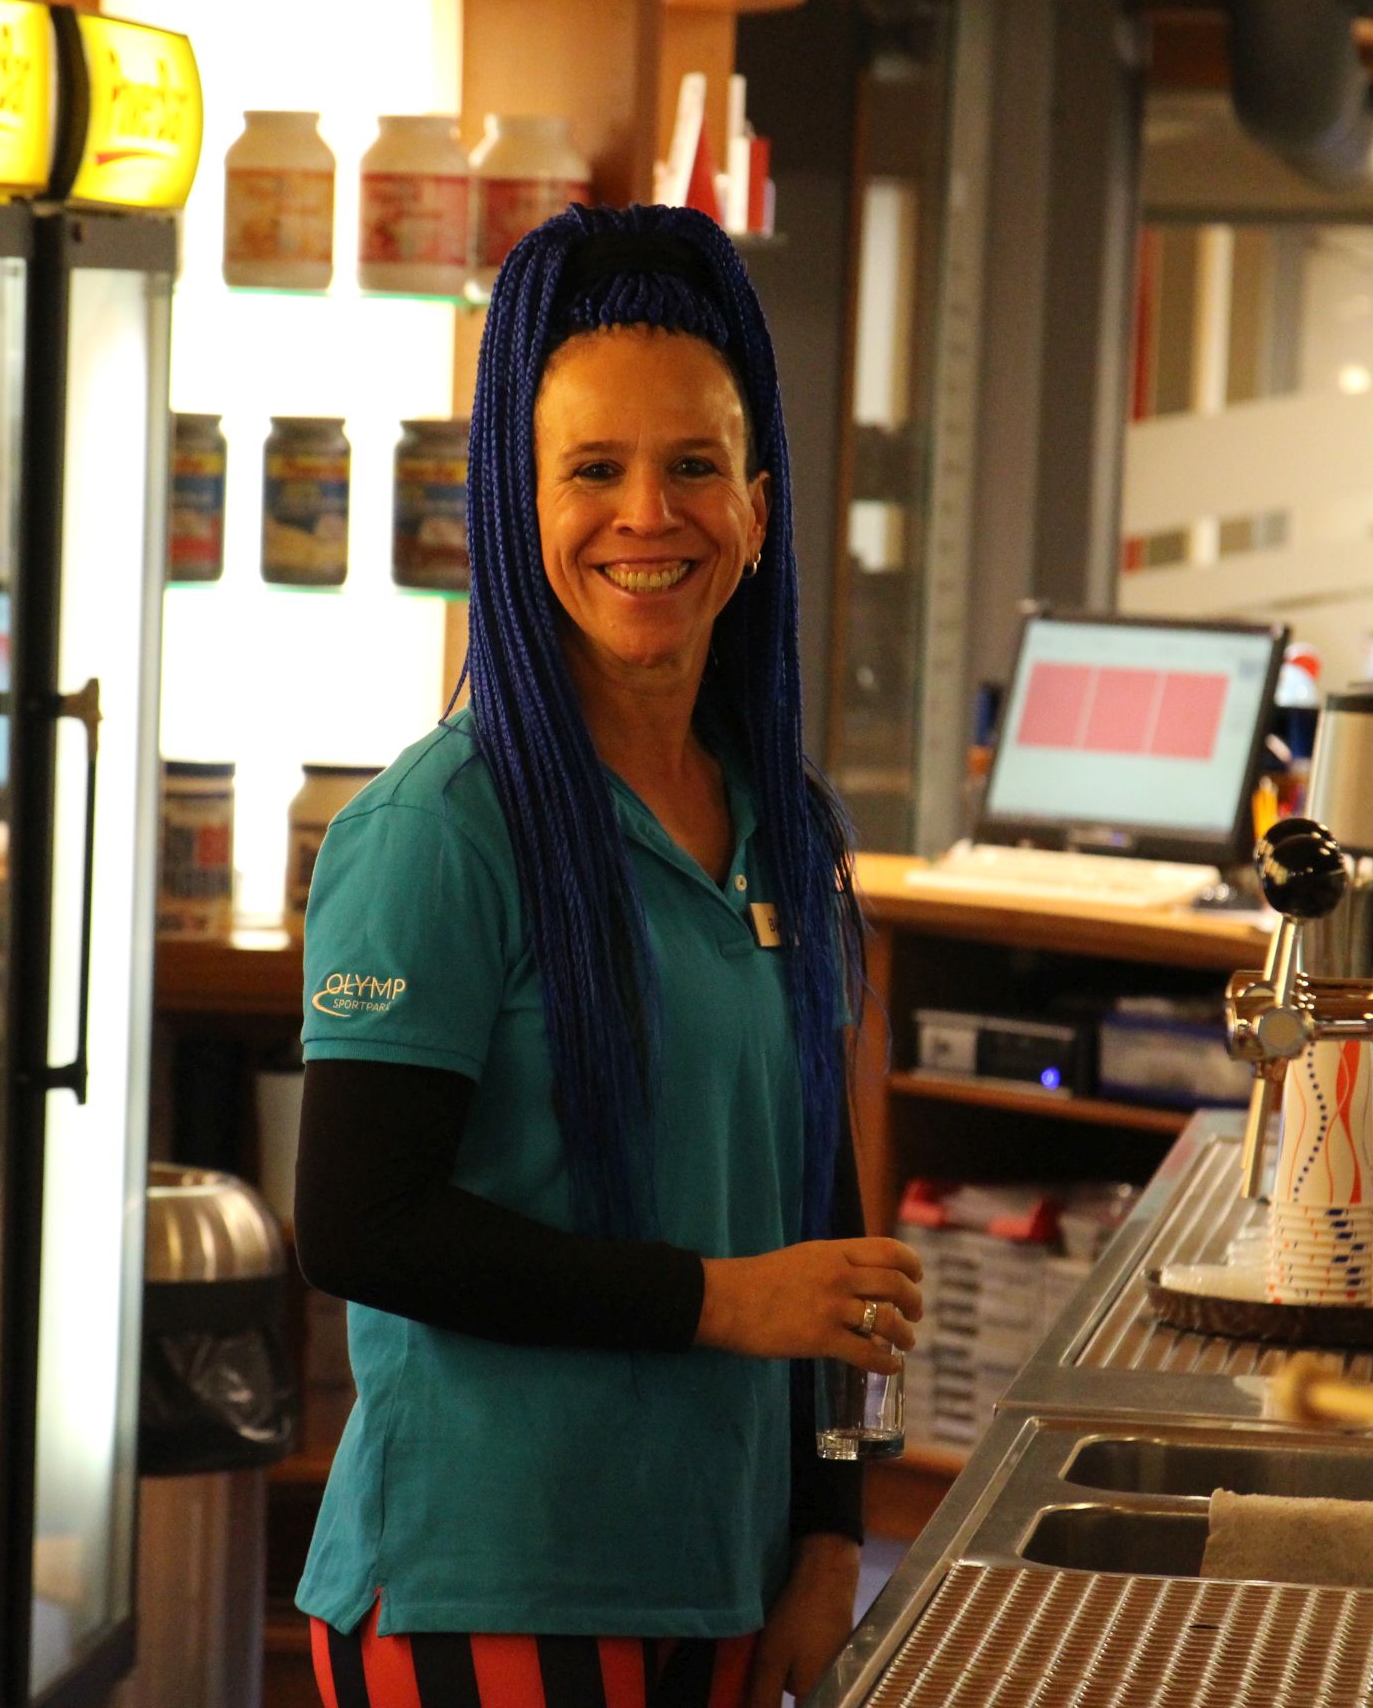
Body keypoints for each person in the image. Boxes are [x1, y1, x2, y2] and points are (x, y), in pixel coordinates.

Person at [292, 203, 924, 1708]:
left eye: (693, 467)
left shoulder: (779, 823)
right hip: (487, 1590)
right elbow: (362, 1223)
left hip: (721, 1579)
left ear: (756, 512)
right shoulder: (440, 829)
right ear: (520, 509)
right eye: (594, 470)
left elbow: (819, 1222)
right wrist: (721, 1300)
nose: (650, 515)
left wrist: (830, 1532)